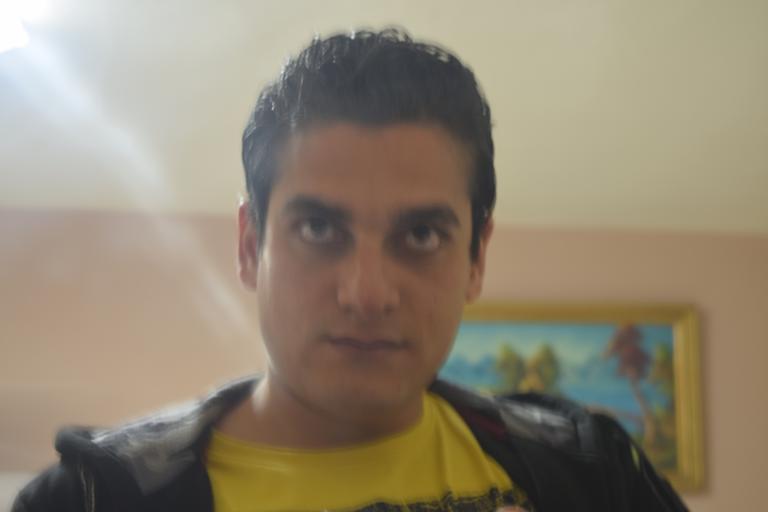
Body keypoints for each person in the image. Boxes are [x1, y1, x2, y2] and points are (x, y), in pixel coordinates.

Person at [13, 29, 687, 512]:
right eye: (318, 229)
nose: (368, 293)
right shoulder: (90, 499)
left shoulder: (592, 472)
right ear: (249, 247)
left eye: (420, 235)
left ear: (476, 258)